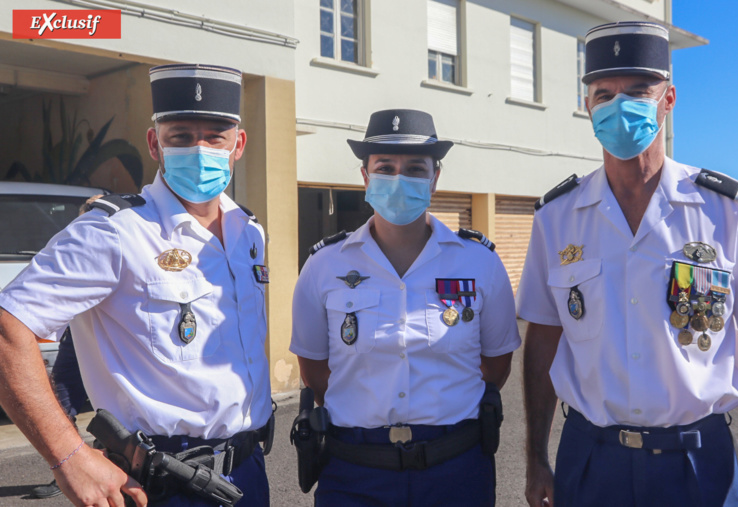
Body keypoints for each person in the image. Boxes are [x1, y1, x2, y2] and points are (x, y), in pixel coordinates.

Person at [518, 22, 738, 507]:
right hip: (591, 460)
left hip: (697, 462)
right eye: (604, 93)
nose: (620, 106)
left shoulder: (728, 209)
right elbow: (544, 337)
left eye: (638, 91)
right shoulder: (557, 217)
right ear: (587, 105)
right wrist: (534, 457)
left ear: (669, 99)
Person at [0, 63, 273, 507]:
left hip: (247, 472)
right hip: (161, 485)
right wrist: (69, 458)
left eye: (214, 137)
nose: (199, 149)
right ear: (155, 143)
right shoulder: (115, 230)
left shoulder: (250, 232)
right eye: (181, 136)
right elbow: (8, 328)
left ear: (237, 144)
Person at [290, 109, 521, 506]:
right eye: (385, 167)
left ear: (435, 178)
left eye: (415, 168)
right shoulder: (324, 266)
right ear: (365, 177)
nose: (400, 179)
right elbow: (315, 373)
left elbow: (496, 366)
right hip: (354, 471)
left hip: (456, 469)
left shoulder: (479, 262)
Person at [31, 196, 100, 500]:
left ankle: (107, 466)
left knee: (114, 412)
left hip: (109, 343)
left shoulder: (126, 246)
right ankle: (65, 470)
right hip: (75, 338)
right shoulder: (74, 249)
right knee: (63, 402)